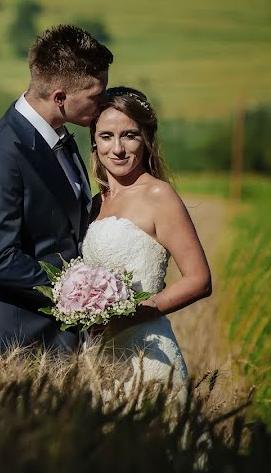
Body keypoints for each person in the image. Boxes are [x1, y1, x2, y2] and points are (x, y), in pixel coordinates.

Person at [0, 24, 113, 368]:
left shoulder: (61, 138)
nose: (103, 105)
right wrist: (82, 292)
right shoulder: (1, 155)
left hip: (58, 344)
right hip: (10, 344)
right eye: (96, 96)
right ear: (60, 97)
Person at [82, 86, 212, 398]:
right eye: (106, 136)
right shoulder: (94, 203)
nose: (118, 149)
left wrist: (138, 312)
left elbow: (199, 279)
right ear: (94, 141)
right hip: (98, 358)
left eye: (129, 135)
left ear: (146, 139)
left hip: (148, 353)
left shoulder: (158, 196)